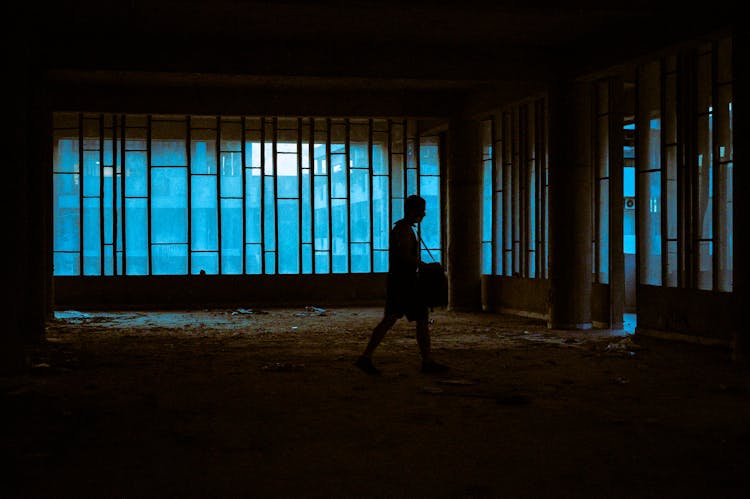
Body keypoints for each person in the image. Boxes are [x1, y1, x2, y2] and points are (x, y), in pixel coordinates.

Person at [354, 194, 449, 375]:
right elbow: (405, 257)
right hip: (405, 283)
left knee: (393, 320)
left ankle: (365, 357)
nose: (424, 214)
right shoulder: (404, 230)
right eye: (421, 210)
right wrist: (425, 266)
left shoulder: (403, 228)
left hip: (400, 282)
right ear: (414, 211)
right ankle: (426, 362)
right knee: (418, 319)